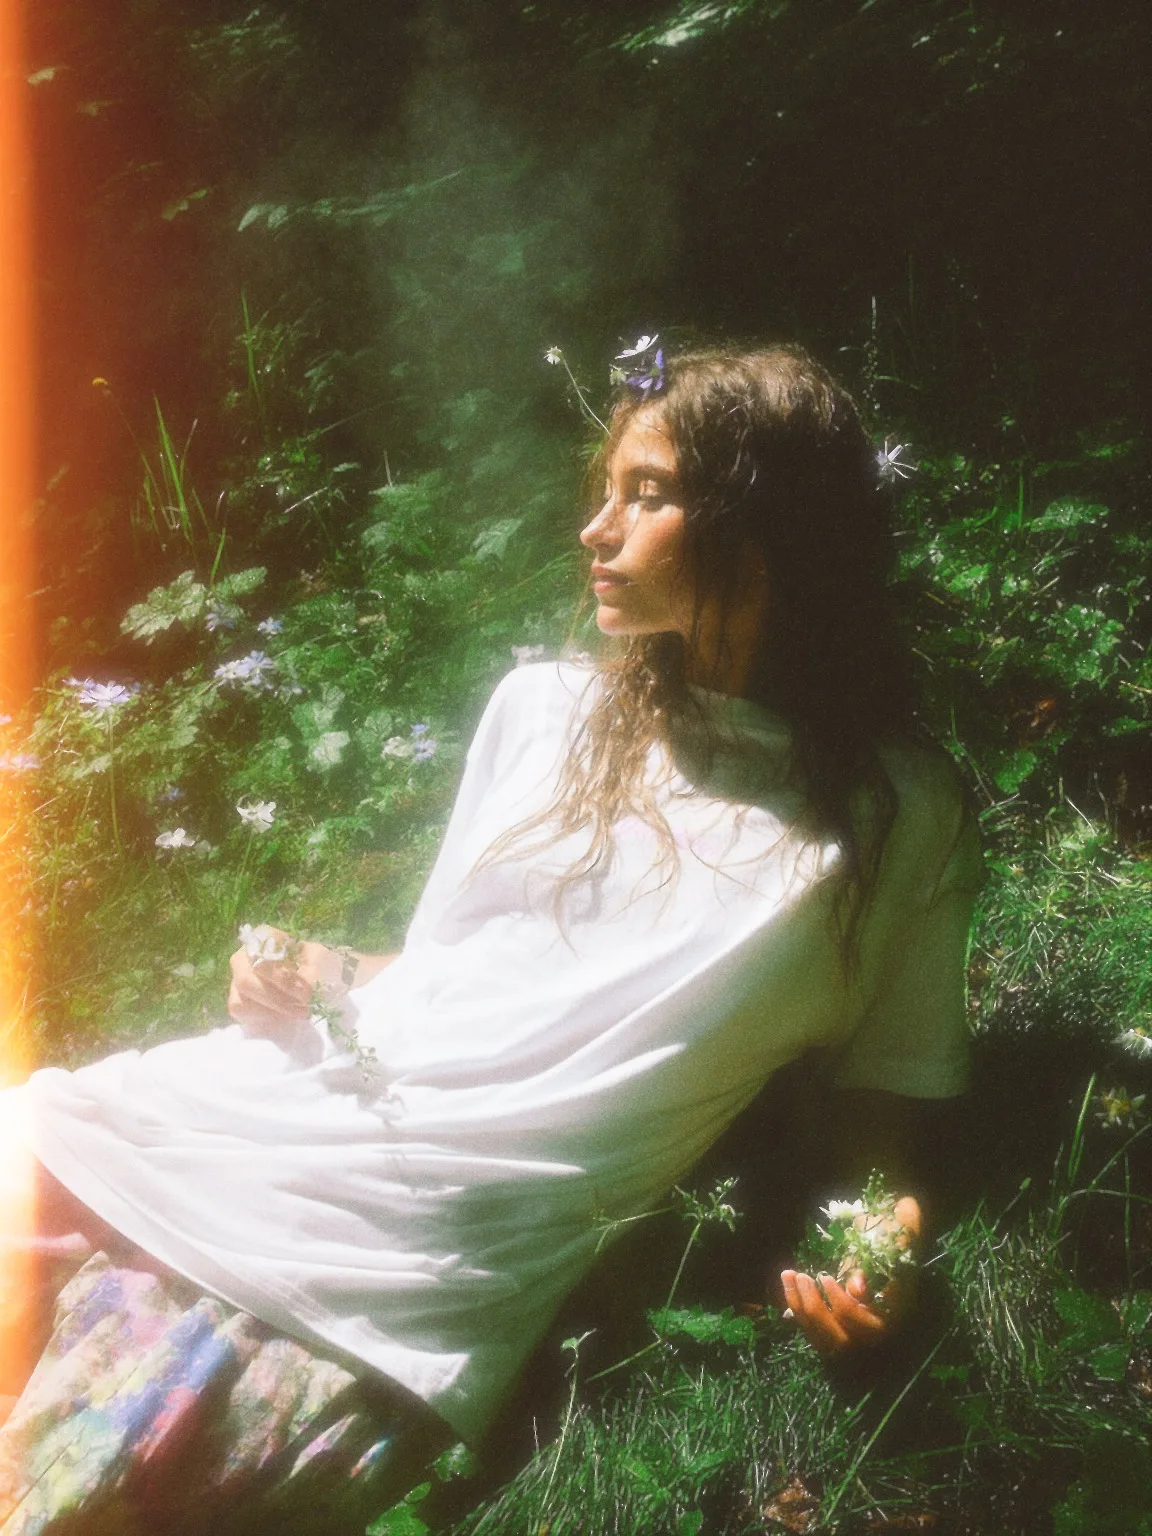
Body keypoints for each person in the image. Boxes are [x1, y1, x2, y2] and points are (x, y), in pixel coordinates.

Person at [0, 343, 980, 1533]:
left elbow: (883, 1106)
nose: (595, 529)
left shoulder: (896, 817)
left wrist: (884, 1249)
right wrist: (317, 972)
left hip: (397, 1261)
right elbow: (448, 978)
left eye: (649, 494)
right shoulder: (544, 712)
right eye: (605, 487)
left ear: (763, 523)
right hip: (213, 1122)